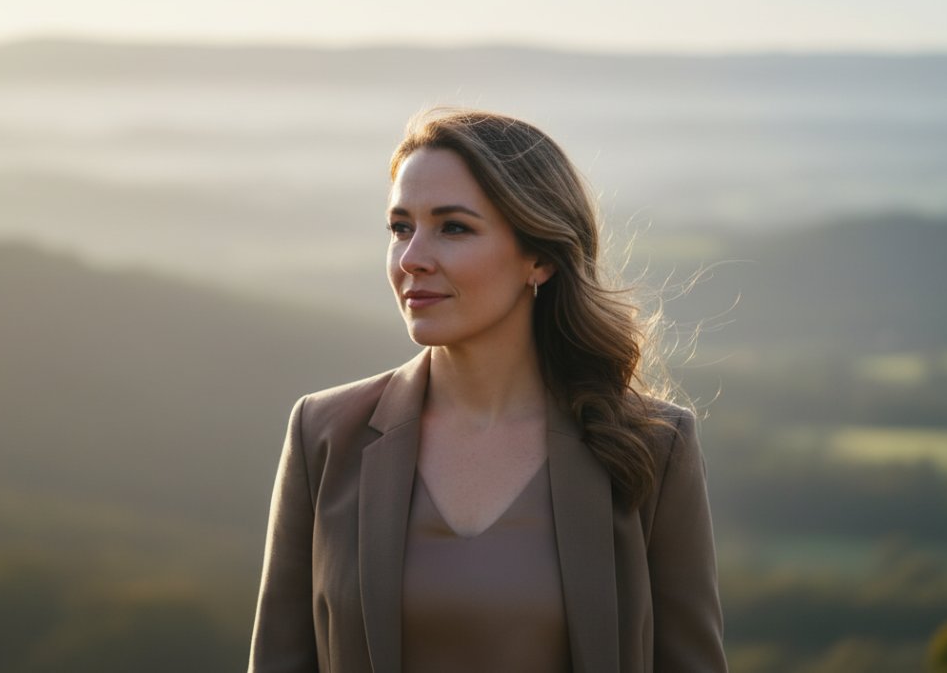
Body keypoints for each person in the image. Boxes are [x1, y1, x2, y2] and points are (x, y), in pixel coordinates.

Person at [248, 108, 726, 672]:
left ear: (540, 257)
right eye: (401, 227)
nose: (411, 259)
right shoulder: (325, 435)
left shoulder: (651, 445)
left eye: (453, 227)